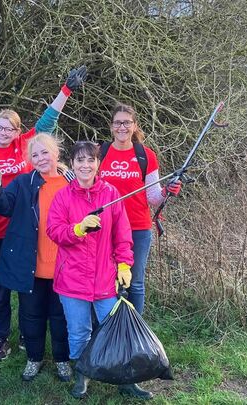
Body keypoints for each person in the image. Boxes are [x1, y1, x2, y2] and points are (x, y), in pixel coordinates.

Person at [0, 65, 87, 361]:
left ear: (17, 132)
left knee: (29, 289)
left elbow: (49, 120)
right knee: (1, 289)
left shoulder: (26, 147)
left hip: (26, 230)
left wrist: (67, 89)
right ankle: (2, 338)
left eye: (9, 129)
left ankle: (28, 334)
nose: (3, 132)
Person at [47, 141, 148, 399]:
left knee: (116, 328)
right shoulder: (63, 196)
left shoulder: (111, 194)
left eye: (90, 160)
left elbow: (123, 234)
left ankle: (126, 378)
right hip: (72, 279)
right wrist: (78, 229)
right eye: (80, 160)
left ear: (97, 163)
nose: (85, 165)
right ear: (72, 164)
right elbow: (54, 231)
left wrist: (124, 264)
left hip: (105, 278)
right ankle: (83, 375)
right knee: (79, 332)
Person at [0, 133, 72, 382]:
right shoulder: (23, 183)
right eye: (35, 155)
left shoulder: (71, 180)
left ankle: (62, 360)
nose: (41, 158)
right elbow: (3, 205)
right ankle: (34, 358)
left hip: (65, 266)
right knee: (31, 316)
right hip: (32, 264)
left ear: (56, 152)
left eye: (45, 152)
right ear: (30, 160)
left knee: (60, 316)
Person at [98, 103, 181, 316]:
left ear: (134, 126)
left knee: (134, 283)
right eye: (118, 122)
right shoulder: (101, 153)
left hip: (138, 228)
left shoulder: (146, 155)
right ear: (111, 126)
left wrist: (167, 191)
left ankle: (135, 333)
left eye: (127, 122)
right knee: (106, 281)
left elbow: (153, 197)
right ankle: (109, 330)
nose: (122, 127)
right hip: (105, 227)